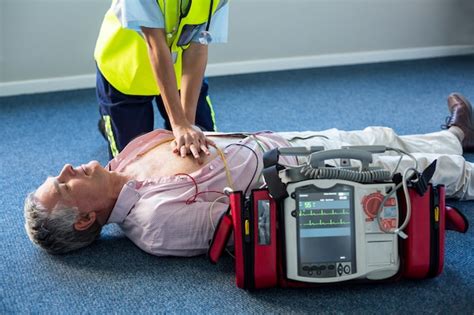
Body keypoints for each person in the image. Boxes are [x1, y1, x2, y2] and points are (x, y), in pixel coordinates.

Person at [25, 93, 474, 256]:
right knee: (407, 171)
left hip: (270, 139)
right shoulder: (154, 223)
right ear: (85, 219)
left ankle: (456, 135)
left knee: (375, 134)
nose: (67, 168)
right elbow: (254, 223)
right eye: (65, 184)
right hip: (296, 175)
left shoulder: (124, 157)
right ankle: (464, 174)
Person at [94, 0, 229, 160]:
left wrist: (188, 125)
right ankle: (109, 127)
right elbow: (155, 45)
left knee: (205, 150)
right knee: (133, 164)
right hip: (127, 70)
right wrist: (179, 124)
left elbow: (198, 47)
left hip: (178, 72)